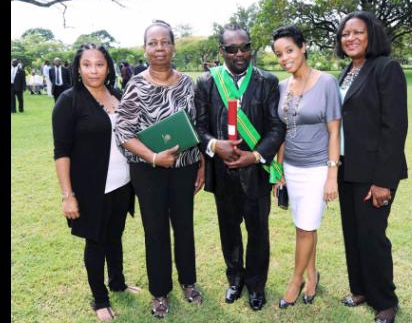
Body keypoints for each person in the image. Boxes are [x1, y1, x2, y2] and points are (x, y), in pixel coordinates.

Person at [115, 20, 205, 319]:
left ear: (173, 46)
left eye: (164, 42)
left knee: (184, 227)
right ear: (145, 49)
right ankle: (159, 292)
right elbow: (124, 133)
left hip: (184, 167)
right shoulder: (136, 84)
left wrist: (201, 163)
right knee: (155, 231)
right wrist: (154, 157)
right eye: (152, 43)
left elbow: (196, 127)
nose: (159, 48)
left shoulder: (187, 83)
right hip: (148, 171)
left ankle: (188, 282)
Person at [194, 23, 285, 311]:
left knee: (259, 232)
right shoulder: (207, 82)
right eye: (232, 49)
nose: (239, 53)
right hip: (223, 173)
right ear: (222, 51)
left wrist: (256, 156)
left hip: (256, 172)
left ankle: (257, 285)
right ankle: (235, 280)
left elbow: (276, 127)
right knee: (229, 231)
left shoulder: (267, 81)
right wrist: (214, 146)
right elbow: (198, 127)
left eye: (245, 47)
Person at [52, 43, 141, 322]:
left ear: (108, 66)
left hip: (122, 182)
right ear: (77, 68)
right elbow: (61, 152)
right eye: (87, 64)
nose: (93, 70)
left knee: (115, 237)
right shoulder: (70, 100)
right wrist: (68, 195)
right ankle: (100, 299)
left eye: (99, 64)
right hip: (91, 188)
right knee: (96, 242)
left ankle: (117, 282)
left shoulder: (117, 93)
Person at [335, 11, 408, 323]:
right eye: (345, 34)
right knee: (352, 233)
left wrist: (383, 181)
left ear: (371, 35)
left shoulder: (386, 68)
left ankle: (385, 301)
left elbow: (395, 128)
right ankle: (361, 289)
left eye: (358, 33)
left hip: (374, 172)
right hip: (347, 168)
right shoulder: (347, 71)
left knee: (372, 236)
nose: (350, 38)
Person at [271, 25, 342, 309]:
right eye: (278, 54)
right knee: (304, 227)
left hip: (316, 170)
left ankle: (296, 280)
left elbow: (335, 133)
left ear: (303, 47)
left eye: (289, 50)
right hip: (291, 168)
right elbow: (282, 132)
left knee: (305, 228)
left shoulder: (326, 83)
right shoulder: (281, 87)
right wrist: (278, 172)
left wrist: (332, 175)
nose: (284, 57)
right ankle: (312, 275)